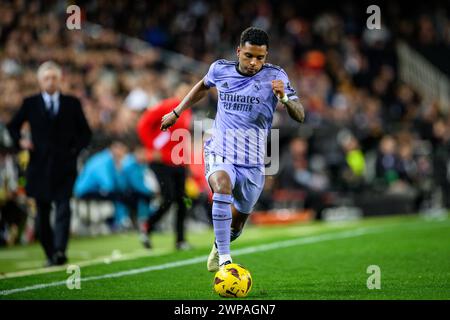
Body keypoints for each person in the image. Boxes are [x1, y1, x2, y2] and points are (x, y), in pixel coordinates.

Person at [160, 27, 305, 271]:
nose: (254, 62)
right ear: (239, 51)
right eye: (249, 55)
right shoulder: (220, 69)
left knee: (236, 225)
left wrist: (285, 99)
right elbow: (202, 86)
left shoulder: (276, 76)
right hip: (221, 150)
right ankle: (226, 260)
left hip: (254, 161)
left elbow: (300, 115)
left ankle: (220, 245)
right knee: (221, 186)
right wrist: (177, 112)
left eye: (260, 57)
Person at [7, 61, 92, 266]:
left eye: (54, 77)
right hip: (39, 167)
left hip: (65, 166)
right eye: (46, 78)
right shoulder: (30, 103)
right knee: (42, 213)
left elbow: (85, 133)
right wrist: (21, 141)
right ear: (39, 81)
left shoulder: (72, 103)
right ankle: (49, 252)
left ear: (60, 79)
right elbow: (12, 127)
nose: (51, 81)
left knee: (64, 208)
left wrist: (74, 151)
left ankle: (60, 251)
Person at [137, 82, 193, 250]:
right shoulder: (168, 106)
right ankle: (147, 225)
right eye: (183, 91)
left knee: (183, 201)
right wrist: (151, 147)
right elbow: (143, 124)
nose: (185, 95)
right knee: (168, 198)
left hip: (178, 162)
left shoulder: (187, 110)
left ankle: (180, 240)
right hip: (161, 161)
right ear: (176, 91)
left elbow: (179, 137)